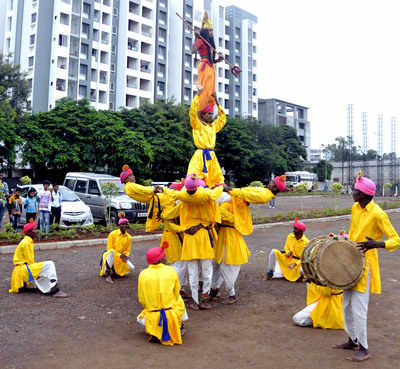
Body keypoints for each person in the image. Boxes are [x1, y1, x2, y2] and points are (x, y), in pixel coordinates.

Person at [333, 174, 400, 362]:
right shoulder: (355, 208)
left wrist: (377, 244)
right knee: (346, 305)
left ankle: (364, 348)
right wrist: (345, 237)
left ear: (364, 195)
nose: (353, 193)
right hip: (350, 261)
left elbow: (396, 239)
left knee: (359, 308)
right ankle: (352, 340)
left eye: (355, 191)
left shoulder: (378, 213)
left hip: (365, 265)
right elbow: (355, 232)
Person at [162, 173, 223, 310]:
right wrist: (221, 186)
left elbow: (168, 215)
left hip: (190, 238)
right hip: (204, 237)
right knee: (207, 271)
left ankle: (195, 301)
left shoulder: (184, 201)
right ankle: (205, 299)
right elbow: (215, 215)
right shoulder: (207, 199)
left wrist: (182, 227)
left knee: (193, 272)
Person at [137, 242, 187, 346]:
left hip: (152, 315)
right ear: (160, 259)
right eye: (164, 255)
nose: (166, 257)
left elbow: (141, 299)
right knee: (179, 300)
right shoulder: (171, 270)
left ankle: (155, 330)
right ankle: (179, 325)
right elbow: (176, 293)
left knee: (140, 317)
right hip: (171, 314)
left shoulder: (143, 274)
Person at [9, 219, 68, 297]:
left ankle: (51, 286)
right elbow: (30, 261)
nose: (37, 231)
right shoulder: (26, 242)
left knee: (44, 268)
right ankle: (54, 291)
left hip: (22, 269)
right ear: (30, 233)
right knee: (49, 264)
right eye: (35, 229)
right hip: (23, 269)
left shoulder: (27, 241)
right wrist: (38, 272)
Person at [186, 91, 226, 188]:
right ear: (203, 114)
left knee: (217, 179)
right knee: (193, 177)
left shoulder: (213, 127)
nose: (211, 115)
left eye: (212, 113)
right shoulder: (197, 125)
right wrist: (198, 94)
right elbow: (192, 112)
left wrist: (217, 101)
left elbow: (222, 118)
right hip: (200, 155)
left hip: (211, 156)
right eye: (208, 113)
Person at [192, 11, 224, 112]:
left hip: (211, 68)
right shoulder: (201, 41)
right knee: (204, 89)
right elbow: (193, 50)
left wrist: (218, 60)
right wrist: (196, 37)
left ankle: (208, 110)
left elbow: (212, 60)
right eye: (209, 31)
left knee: (211, 90)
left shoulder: (211, 45)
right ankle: (200, 110)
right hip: (204, 66)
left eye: (212, 31)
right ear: (205, 32)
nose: (211, 33)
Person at [99, 213, 134, 284]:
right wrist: (119, 255)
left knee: (132, 267)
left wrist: (125, 255)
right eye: (122, 224)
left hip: (121, 256)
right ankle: (108, 274)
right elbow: (109, 248)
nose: (124, 225)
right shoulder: (112, 234)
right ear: (119, 225)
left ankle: (114, 271)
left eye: (126, 224)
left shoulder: (129, 237)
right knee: (111, 253)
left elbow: (127, 250)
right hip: (111, 255)